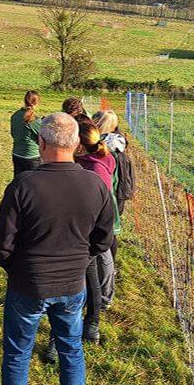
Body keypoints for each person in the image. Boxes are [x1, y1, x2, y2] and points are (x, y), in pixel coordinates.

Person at [0, 113, 116, 385]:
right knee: (71, 350)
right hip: (73, 285)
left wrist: (20, 269)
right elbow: (104, 239)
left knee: (18, 354)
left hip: (28, 285)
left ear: (41, 144)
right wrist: (78, 260)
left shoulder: (23, 185)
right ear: (75, 144)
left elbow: (2, 243)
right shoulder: (94, 184)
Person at [74, 119, 119, 343]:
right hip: (92, 228)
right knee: (90, 277)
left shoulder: (90, 168)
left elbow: (93, 204)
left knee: (88, 279)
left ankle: (90, 323)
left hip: (86, 230)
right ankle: (90, 323)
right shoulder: (102, 158)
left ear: (80, 145)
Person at [9, 91, 42, 176]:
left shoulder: (15, 115)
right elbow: (43, 138)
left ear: (24, 100)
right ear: (37, 102)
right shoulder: (35, 120)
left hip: (16, 154)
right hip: (32, 156)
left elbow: (13, 133)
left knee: (19, 182)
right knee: (34, 184)